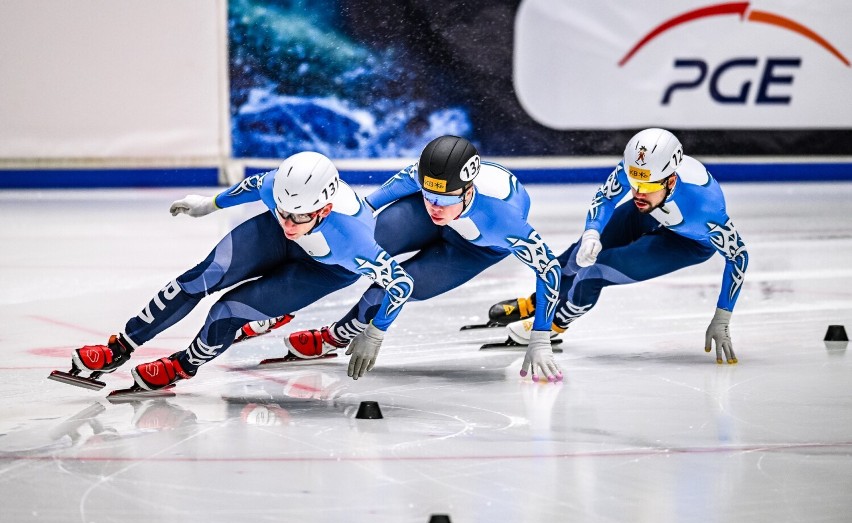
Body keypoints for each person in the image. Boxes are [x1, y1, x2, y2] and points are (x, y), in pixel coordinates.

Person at [66, 151, 414, 392]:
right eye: (283, 211)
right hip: (276, 240)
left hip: (324, 269)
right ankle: (120, 347)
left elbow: (400, 283)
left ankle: (183, 365)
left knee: (226, 312)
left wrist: (376, 331)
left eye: (299, 217)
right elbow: (251, 186)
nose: (290, 223)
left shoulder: (353, 239)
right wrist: (209, 204)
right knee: (201, 277)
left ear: (323, 210)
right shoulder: (281, 191)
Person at [254, 135, 564, 382]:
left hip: (471, 249)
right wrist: (362, 213)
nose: (435, 206)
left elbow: (549, 269)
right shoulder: (432, 184)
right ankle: (278, 304)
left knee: (386, 291)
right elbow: (386, 196)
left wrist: (540, 337)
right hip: (422, 221)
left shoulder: (502, 218)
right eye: (429, 195)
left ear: (468, 190)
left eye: (443, 199)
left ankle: (334, 336)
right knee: (359, 242)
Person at [488, 128, 748, 364]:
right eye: (634, 185)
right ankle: (538, 302)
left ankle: (556, 325)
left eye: (646, 186)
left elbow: (738, 256)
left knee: (596, 272)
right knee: (580, 253)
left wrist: (722, 318)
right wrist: (592, 233)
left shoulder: (704, 209)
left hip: (686, 242)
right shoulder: (639, 169)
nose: (637, 194)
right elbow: (606, 197)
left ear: (670, 181)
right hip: (653, 212)